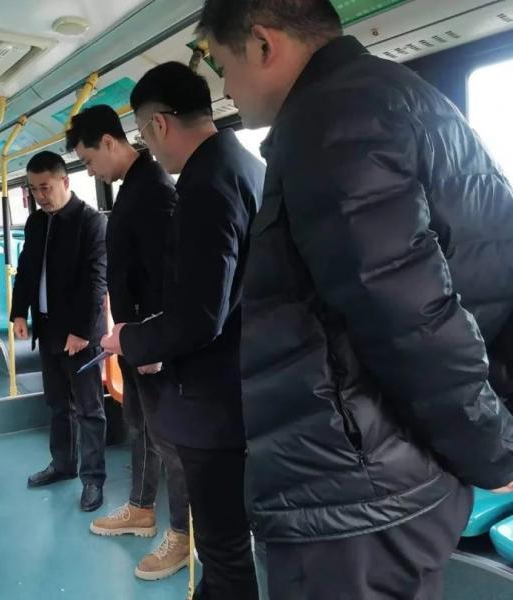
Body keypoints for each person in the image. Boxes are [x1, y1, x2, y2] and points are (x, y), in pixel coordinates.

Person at [197, 1, 513, 598]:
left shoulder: (332, 124)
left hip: (352, 491)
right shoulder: (402, 97)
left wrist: (494, 451)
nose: (227, 89)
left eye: (221, 65)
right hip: (395, 472)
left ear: (263, 44)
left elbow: (412, 321)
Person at [101, 62, 264, 599]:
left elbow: (199, 316)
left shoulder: (204, 184)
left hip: (214, 399)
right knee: (230, 544)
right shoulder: (247, 165)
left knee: (223, 547)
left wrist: (131, 340)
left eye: (144, 134)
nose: (149, 148)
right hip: (251, 377)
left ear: (159, 125)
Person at [66, 105, 191, 580]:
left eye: (89, 160)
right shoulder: (133, 187)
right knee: (141, 426)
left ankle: (183, 533)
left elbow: (168, 276)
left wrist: (154, 344)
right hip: (134, 338)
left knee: (171, 439)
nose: (90, 171)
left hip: (152, 342)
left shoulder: (154, 190)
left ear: (109, 142)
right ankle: (141, 507)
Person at [10, 151, 108, 512]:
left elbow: (97, 281)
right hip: (48, 327)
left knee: (89, 409)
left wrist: (81, 331)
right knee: (57, 404)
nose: (40, 195)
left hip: (80, 334)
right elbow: (26, 270)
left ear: (65, 181)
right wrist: (18, 312)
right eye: (34, 189)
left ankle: (93, 479)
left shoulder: (91, 222)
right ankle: (63, 464)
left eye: (45, 187)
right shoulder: (36, 222)